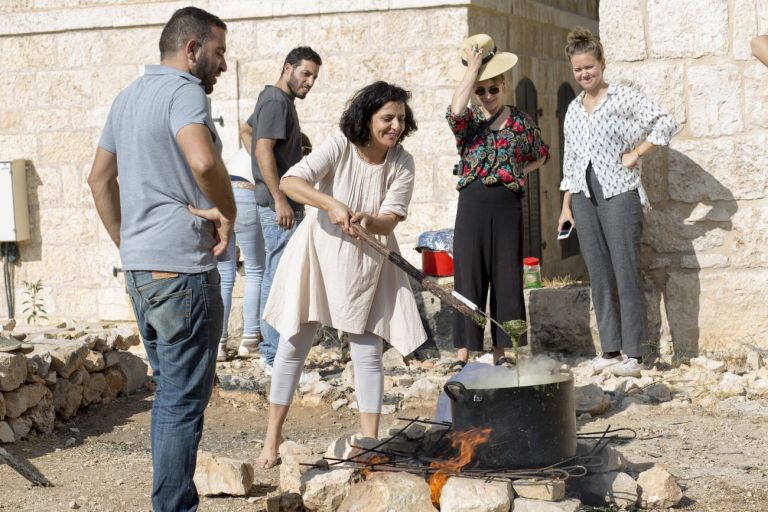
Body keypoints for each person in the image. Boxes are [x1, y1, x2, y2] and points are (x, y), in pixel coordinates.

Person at [87, 7, 234, 511]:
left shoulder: (126, 99)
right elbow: (203, 160)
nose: (223, 65)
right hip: (183, 272)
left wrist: (127, 242)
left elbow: (98, 180)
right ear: (192, 49)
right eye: (218, 53)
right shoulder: (183, 92)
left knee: (170, 395)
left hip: (143, 271)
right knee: (180, 402)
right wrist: (228, 210)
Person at [255, 81, 427, 468]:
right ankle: (271, 440)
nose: (395, 126)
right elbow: (291, 182)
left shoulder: (403, 162)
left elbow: (391, 217)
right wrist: (330, 203)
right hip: (317, 254)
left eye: (401, 118)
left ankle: (369, 443)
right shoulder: (339, 146)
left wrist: (371, 220)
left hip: (367, 261)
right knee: (293, 345)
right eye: (387, 118)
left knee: (367, 351)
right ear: (367, 118)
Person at [558, 27, 678, 377]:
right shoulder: (572, 109)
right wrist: (566, 206)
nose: (584, 74)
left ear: (602, 63)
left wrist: (637, 153)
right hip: (582, 197)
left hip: (619, 194)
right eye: (578, 69)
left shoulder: (624, 98)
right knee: (599, 275)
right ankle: (609, 350)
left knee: (625, 273)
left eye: (589, 67)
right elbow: (571, 160)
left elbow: (666, 123)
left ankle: (634, 354)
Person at [447, 34, 550, 368]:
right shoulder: (470, 122)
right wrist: (472, 71)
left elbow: (542, 154)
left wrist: (519, 171)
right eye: (481, 90)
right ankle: (464, 351)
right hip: (472, 203)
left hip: (507, 206)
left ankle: (503, 351)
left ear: (504, 86)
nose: (488, 96)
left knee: (506, 276)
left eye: (493, 89)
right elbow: (454, 110)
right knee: (468, 274)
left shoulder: (520, 121)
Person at [241, 46, 322, 375]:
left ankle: (271, 352)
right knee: (279, 278)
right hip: (280, 204)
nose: (310, 81)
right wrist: (278, 196)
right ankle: (274, 357)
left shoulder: (272, 98)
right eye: (305, 73)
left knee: (275, 273)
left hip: (278, 199)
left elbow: (246, 132)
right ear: (288, 67)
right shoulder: (276, 100)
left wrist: (262, 169)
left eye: (314, 77)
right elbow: (262, 146)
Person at [215, 145, 266, 361]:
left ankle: (219, 344)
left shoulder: (244, 150)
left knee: (225, 276)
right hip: (246, 193)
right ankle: (250, 340)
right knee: (256, 271)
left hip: (223, 193)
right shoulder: (279, 145)